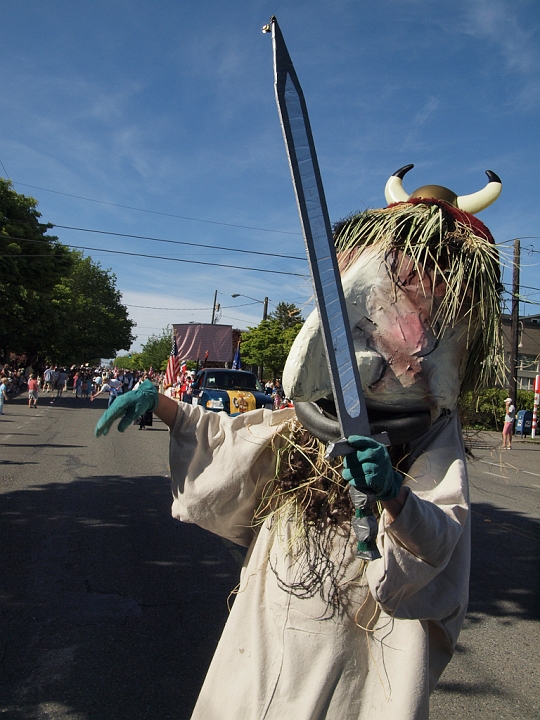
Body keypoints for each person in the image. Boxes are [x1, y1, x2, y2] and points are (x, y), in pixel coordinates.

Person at [94, 171, 503, 718]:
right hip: (270, 619)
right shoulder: (316, 415)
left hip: (354, 641)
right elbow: (242, 441)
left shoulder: (430, 433)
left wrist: (394, 497)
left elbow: (440, 534)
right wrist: (163, 405)